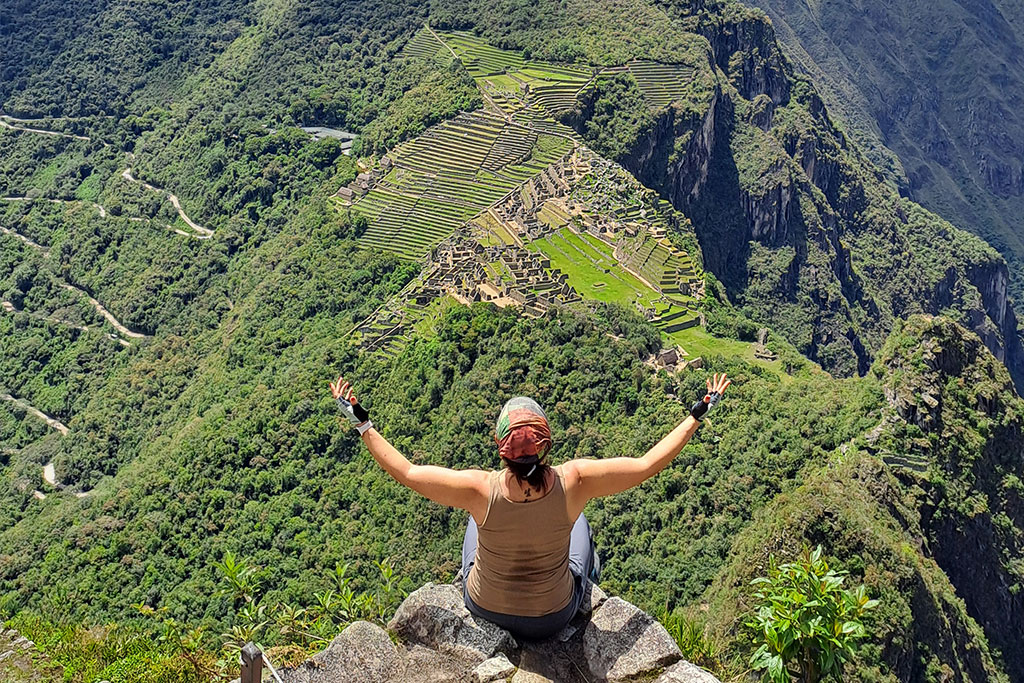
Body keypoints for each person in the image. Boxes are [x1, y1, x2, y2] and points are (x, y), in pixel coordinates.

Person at [328, 373, 731, 640]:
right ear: (545, 444)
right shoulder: (575, 482)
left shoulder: (479, 489)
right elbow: (647, 464)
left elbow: (409, 471)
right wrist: (699, 411)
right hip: (552, 616)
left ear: (501, 448)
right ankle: (585, 582)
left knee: (475, 524)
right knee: (580, 524)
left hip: (485, 607)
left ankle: (479, 576)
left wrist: (362, 421)